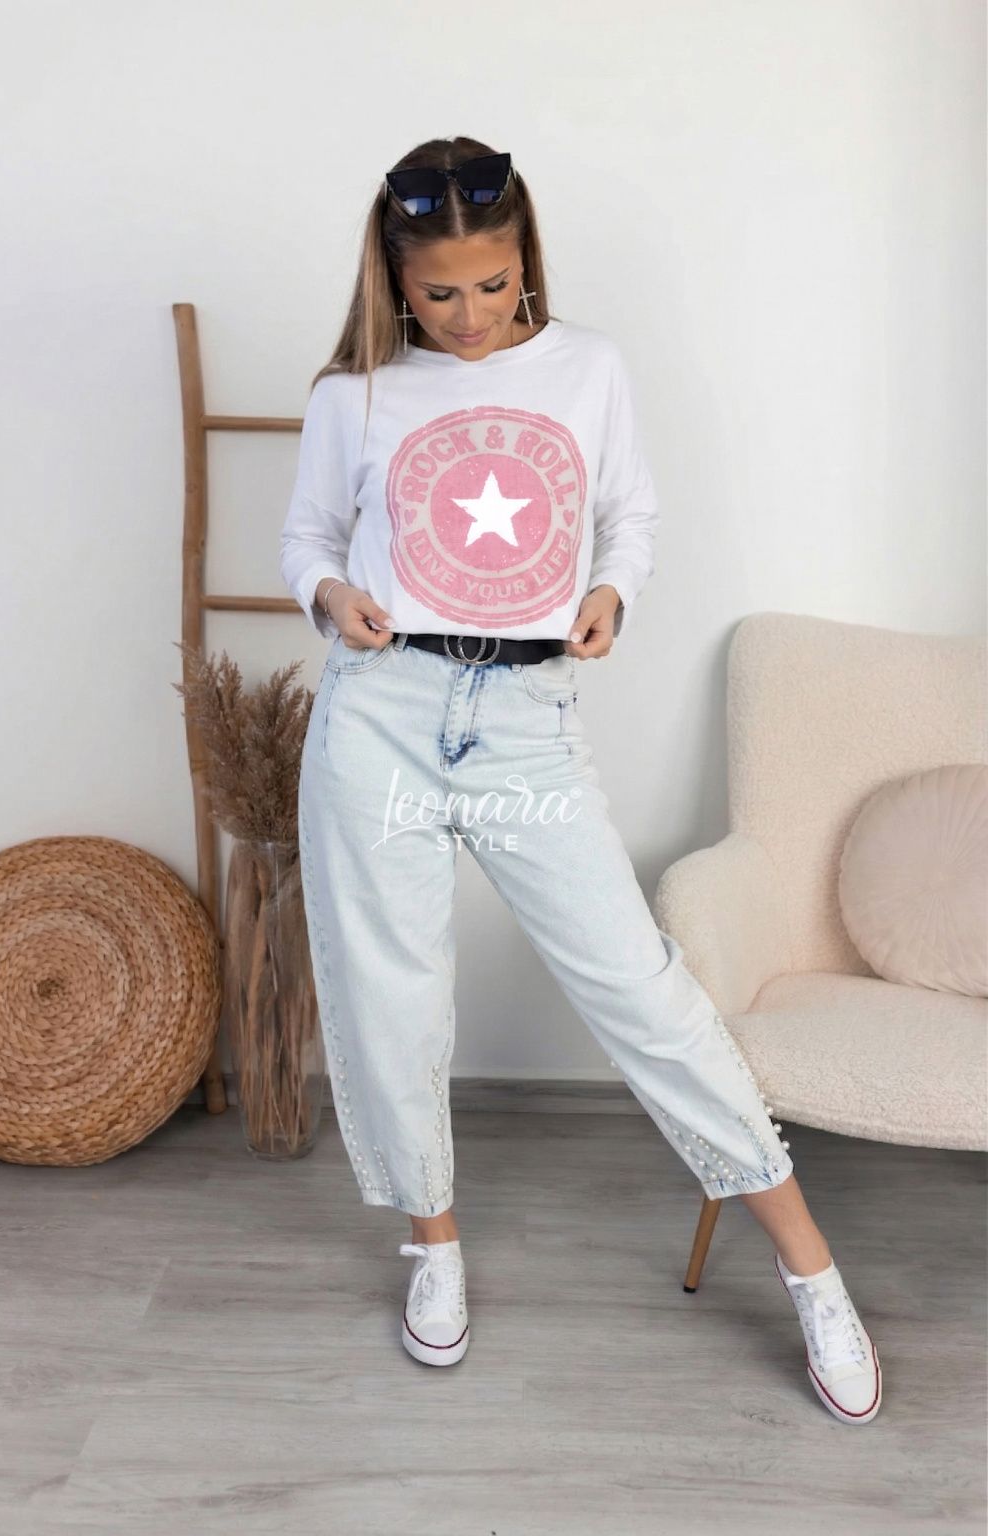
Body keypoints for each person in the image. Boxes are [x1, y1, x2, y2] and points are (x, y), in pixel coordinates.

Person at [279, 137, 882, 1422]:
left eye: (494, 285)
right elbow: (308, 538)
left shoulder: (588, 369)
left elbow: (631, 516)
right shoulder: (355, 394)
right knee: (392, 995)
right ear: (395, 278)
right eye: (440, 292)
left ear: (526, 261)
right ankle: (432, 1244)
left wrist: (612, 590)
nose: (471, 315)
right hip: (381, 709)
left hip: (525, 720)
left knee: (638, 989)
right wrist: (330, 594)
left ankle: (810, 1269)